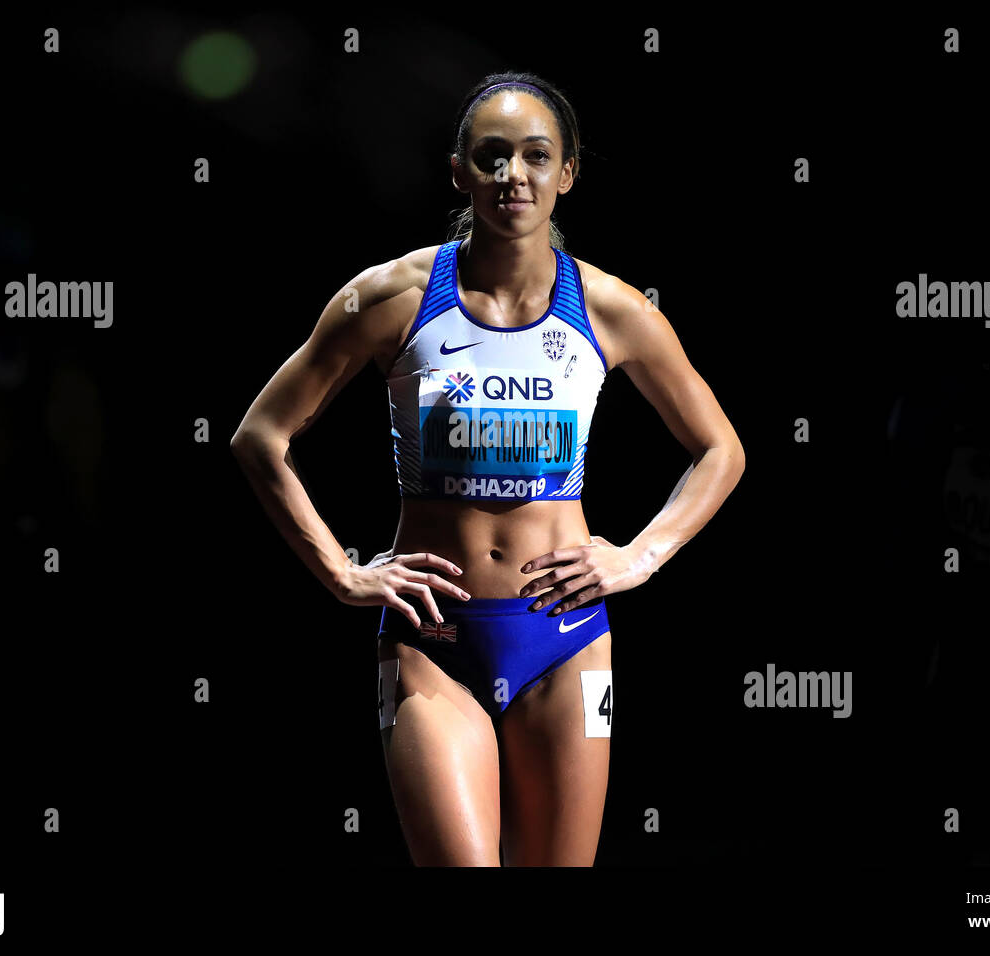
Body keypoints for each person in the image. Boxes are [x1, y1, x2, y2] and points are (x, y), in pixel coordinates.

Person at [231, 72, 745, 865]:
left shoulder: (612, 310)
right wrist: (342, 573)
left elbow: (721, 448)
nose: (515, 175)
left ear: (566, 173)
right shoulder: (392, 297)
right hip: (431, 641)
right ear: (459, 171)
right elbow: (260, 436)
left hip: (567, 636)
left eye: (537, 157)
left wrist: (639, 556)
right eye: (493, 156)